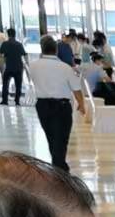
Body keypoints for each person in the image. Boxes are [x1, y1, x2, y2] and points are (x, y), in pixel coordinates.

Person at [25, 36, 87, 173]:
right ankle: (60, 171)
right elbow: (76, 89)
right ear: (56, 50)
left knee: (52, 138)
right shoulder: (65, 68)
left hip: (42, 106)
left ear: (42, 49)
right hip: (61, 107)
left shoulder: (33, 66)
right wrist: (81, 104)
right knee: (61, 139)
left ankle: (58, 168)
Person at [0, 32, 27, 106]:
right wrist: (26, 64)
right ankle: (17, 101)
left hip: (9, 67)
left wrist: (5, 58)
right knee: (18, 85)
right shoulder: (19, 44)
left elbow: (0, 54)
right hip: (18, 67)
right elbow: (24, 54)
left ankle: (5, 100)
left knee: (5, 84)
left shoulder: (5, 44)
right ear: (15, 35)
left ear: (8, 35)